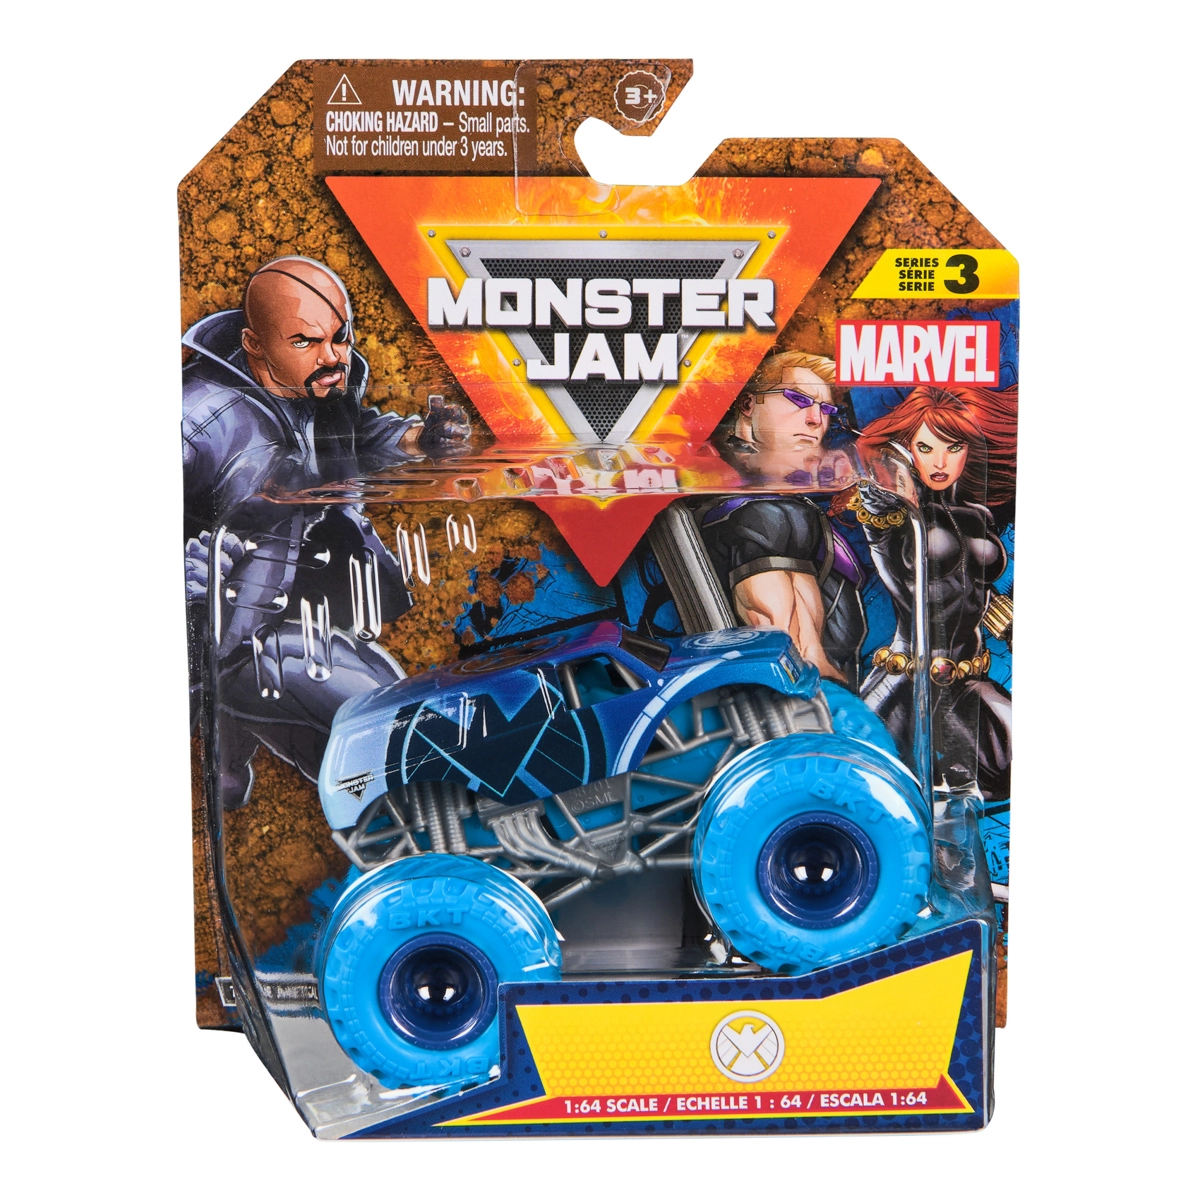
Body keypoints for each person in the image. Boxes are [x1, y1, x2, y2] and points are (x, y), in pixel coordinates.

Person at [183, 256, 470, 808]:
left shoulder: (315, 382)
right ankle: (223, 755)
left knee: (372, 725)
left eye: (340, 337)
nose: (333, 356)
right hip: (225, 633)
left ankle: (234, 763)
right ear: (254, 344)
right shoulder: (200, 420)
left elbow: (349, 432)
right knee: (378, 718)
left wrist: (415, 439)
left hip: (293, 604)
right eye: (307, 342)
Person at [854, 383, 1017, 799]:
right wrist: (890, 490)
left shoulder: (978, 513)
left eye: (953, 447)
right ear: (907, 451)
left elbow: (968, 583)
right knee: (872, 787)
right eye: (925, 449)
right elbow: (879, 515)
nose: (940, 462)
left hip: (969, 680)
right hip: (907, 685)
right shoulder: (892, 511)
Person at [688, 351, 867, 686]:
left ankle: (811, 661)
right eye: (799, 399)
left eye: (826, 410)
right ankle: (793, 661)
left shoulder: (804, 488)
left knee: (793, 519)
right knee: (771, 517)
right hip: (726, 549)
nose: (816, 419)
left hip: (833, 612)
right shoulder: (715, 461)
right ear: (748, 404)